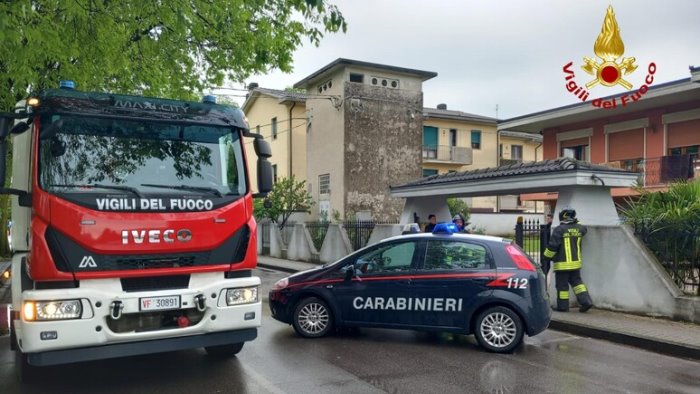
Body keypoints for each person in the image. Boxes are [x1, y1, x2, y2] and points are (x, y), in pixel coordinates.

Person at [543, 208, 593, 313]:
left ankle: (563, 307)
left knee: (562, 287)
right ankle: (586, 301)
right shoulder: (580, 228)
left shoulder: (559, 230)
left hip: (562, 265)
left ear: (561, 217)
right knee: (578, 284)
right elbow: (584, 227)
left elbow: (552, 247)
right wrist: (576, 221)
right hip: (575, 264)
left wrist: (546, 257)